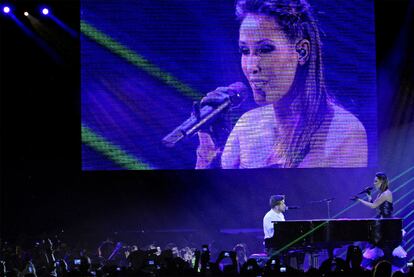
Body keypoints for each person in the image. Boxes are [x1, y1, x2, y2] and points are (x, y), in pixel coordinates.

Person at [196, 0, 367, 169]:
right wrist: (209, 153)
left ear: (302, 51)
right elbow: (207, 195)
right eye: (245, 51)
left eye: (265, 50)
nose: (251, 66)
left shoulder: (345, 131)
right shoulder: (247, 126)